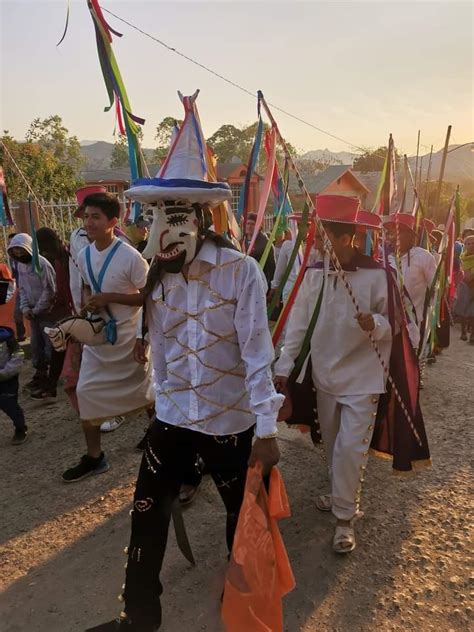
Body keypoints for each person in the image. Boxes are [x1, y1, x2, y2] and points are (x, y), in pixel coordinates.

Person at [87, 90, 283, 632]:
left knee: (244, 523)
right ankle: (139, 617)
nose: (161, 235)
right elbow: (165, 350)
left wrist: (265, 428)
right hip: (173, 420)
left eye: (173, 219)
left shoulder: (240, 271)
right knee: (145, 517)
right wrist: (156, 398)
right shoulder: (157, 278)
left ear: (198, 217)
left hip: (232, 423)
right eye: (154, 220)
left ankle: (247, 615)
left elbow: (256, 354)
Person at [275, 195, 392, 554]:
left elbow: (398, 325)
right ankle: (341, 492)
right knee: (332, 445)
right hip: (325, 375)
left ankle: (344, 519)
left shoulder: (378, 275)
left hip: (364, 377)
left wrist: (377, 323)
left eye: (323, 235)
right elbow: (296, 324)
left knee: (349, 450)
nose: (316, 242)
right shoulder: (314, 274)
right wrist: (283, 367)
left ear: (347, 238)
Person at [62, 192, 154, 483]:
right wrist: (92, 302)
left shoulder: (132, 258)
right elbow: (89, 289)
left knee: (148, 395)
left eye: (95, 217)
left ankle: (160, 442)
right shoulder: (84, 254)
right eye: (86, 216)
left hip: (130, 338)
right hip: (100, 340)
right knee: (86, 392)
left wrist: (109, 297)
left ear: (113, 222)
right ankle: (94, 457)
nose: (88, 223)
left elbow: (148, 298)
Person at [7, 233, 58, 397]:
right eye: (15, 251)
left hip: (47, 313)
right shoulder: (20, 266)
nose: (19, 254)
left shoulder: (42, 264)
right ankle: (40, 375)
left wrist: (37, 310)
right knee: (36, 346)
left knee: (51, 346)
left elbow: (50, 290)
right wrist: (25, 309)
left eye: (21, 250)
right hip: (32, 314)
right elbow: (22, 289)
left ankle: (53, 378)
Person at [385, 213, 437, 352]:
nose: (393, 236)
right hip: (387, 321)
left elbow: (435, 290)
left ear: (412, 236)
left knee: (409, 364)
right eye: (390, 232)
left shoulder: (424, 257)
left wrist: (428, 319)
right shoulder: (384, 257)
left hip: (413, 322)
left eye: (398, 232)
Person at [0, 326, 27, 444]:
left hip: (7, 380)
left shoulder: (6, 337)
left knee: (10, 405)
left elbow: (18, 354)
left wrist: (5, 372)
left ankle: (21, 428)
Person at [243, 212, 276, 286]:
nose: (249, 226)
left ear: (258, 226)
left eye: (252, 224)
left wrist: (270, 285)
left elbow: (272, 266)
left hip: (261, 282)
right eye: (248, 224)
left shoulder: (265, 242)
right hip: (246, 282)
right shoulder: (242, 240)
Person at [454, 234, 474, 343]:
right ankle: (463, 332)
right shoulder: (462, 257)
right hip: (464, 286)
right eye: (467, 243)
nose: (470, 245)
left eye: (472, 243)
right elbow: (460, 271)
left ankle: (472, 335)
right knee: (462, 310)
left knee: (473, 312)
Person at [7, 232, 26, 341]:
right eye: (9, 243)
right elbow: (15, 274)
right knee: (17, 314)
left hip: (29, 287)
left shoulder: (25, 256)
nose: (11, 245)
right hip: (20, 288)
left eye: (13, 242)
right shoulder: (12, 258)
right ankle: (21, 336)